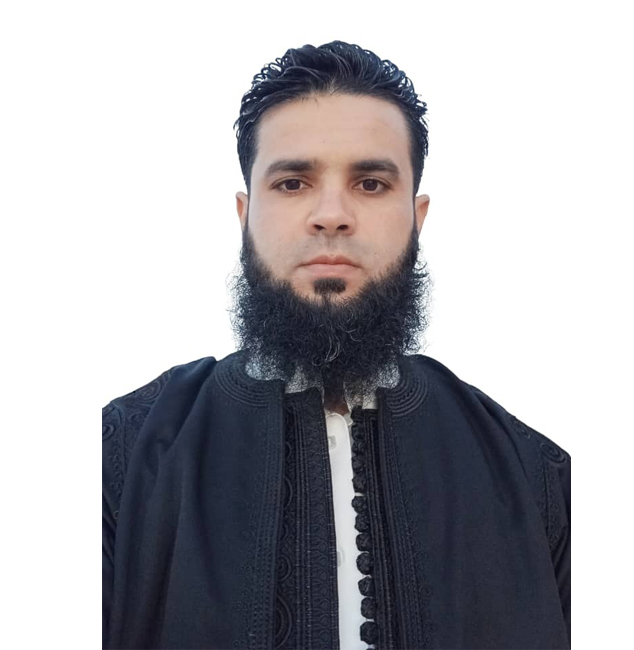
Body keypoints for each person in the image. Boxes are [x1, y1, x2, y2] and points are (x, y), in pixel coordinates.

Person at [102, 41, 571, 650]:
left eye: (370, 183)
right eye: (293, 182)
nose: (331, 215)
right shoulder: (121, 455)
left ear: (417, 217)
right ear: (245, 215)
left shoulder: (536, 478)